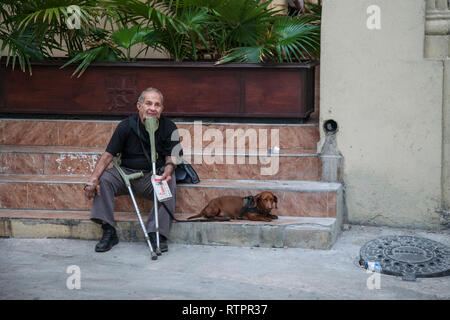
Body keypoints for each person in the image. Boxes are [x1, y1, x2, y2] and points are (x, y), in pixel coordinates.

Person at [83, 87, 181, 253]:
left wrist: (168, 170)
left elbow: (172, 156)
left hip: (152, 175)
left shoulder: (169, 127)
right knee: (104, 180)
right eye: (148, 103)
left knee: (168, 184)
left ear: (161, 109)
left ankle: (156, 234)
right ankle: (108, 231)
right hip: (125, 174)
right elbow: (108, 155)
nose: (152, 108)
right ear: (139, 106)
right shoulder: (125, 126)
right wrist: (93, 179)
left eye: (157, 105)